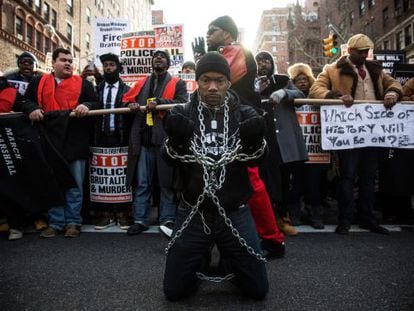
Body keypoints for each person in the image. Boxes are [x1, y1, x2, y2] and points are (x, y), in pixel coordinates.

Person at [163, 52, 268, 301]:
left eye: (220, 80)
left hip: (234, 210)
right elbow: (168, 158)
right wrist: (177, 142)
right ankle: (199, 257)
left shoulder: (245, 114)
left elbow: (259, 158)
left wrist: (253, 142)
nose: (212, 87)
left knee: (257, 291)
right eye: (206, 80)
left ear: (228, 83)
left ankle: (230, 259)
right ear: (197, 82)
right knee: (174, 292)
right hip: (193, 210)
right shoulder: (182, 112)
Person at [206, 16, 286, 257]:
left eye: (213, 30)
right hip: (227, 124)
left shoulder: (238, 51)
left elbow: (218, 80)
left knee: (251, 181)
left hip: (242, 123)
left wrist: (204, 59)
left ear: (228, 34)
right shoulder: (224, 51)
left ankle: (272, 239)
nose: (208, 34)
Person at [309, 34, 403, 234]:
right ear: (350, 51)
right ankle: (345, 220)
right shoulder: (331, 70)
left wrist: (392, 92)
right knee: (348, 177)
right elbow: (316, 89)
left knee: (369, 178)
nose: (364, 55)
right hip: (349, 134)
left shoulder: (375, 69)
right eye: (360, 51)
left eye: (366, 51)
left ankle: (367, 219)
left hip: (373, 134)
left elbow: (394, 84)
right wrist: (335, 96)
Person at [22, 47, 98, 238]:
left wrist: (86, 105)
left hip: (74, 141)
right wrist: (31, 108)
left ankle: (73, 222)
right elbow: (23, 101)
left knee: (74, 184)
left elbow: (97, 103)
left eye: (70, 61)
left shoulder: (84, 84)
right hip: (48, 141)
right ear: (53, 63)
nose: (67, 63)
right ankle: (56, 222)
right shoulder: (38, 81)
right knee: (52, 183)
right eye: (63, 60)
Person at [123, 50, 188, 237]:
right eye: (155, 56)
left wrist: (159, 102)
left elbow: (183, 104)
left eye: (162, 57)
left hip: (165, 141)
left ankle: (167, 219)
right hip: (143, 141)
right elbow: (127, 99)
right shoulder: (142, 83)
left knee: (166, 183)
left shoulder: (178, 83)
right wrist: (130, 105)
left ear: (168, 64)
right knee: (143, 183)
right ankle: (140, 220)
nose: (158, 58)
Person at [255, 51, 307, 235]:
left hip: (283, 138)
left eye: (267, 61)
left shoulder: (283, 79)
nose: (263, 64)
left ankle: (283, 217)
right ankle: (266, 220)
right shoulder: (252, 83)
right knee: (265, 181)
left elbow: (301, 94)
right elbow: (243, 102)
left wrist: (284, 92)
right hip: (263, 137)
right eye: (260, 61)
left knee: (285, 180)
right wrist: (256, 92)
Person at [91, 53, 132, 230]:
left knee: (121, 175)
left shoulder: (128, 90)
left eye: (111, 65)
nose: (108, 68)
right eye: (105, 65)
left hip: (120, 137)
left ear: (118, 68)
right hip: (100, 137)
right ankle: (105, 214)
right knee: (102, 175)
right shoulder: (96, 89)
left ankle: (123, 213)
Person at [287, 62, 327, 229]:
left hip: (315, 151)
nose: (302, 82)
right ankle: (295, 212)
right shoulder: (288, 100)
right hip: (296, 151)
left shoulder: (320, 98)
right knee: (296, 184)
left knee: (314, 184)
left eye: (305, 79)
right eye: (298, 80)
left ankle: (314, 214)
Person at [0, 71, 28, 240]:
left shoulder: (11, 93)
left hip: (6, 147)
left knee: (9, 185)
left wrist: (32, 110)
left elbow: (26, 105)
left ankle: (15, 225)